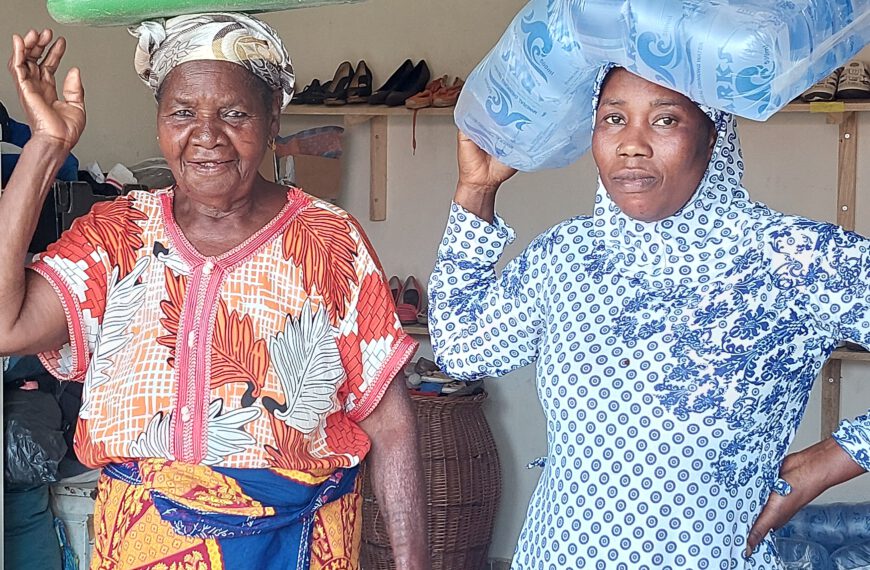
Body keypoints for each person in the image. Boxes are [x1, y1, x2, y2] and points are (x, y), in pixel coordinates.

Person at [0, 15, 428, 570]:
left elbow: (388, 421)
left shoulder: (329, 239)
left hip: (300, 542)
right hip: (144, 544)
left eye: (234, 112)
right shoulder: (117, 237)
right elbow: (6, 324)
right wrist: (46, 146)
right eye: (182, 112)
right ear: (159, 121)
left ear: (273, 118)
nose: (206, 134)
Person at [428, 63, 870, 569]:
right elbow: (462, 349)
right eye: (613, 118)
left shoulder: (790, 258)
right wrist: (476, 191)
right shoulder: (570, 254)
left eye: (664, 121)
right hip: (558, 553)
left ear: (712, 135)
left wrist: (822, 465)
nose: (631, 144)